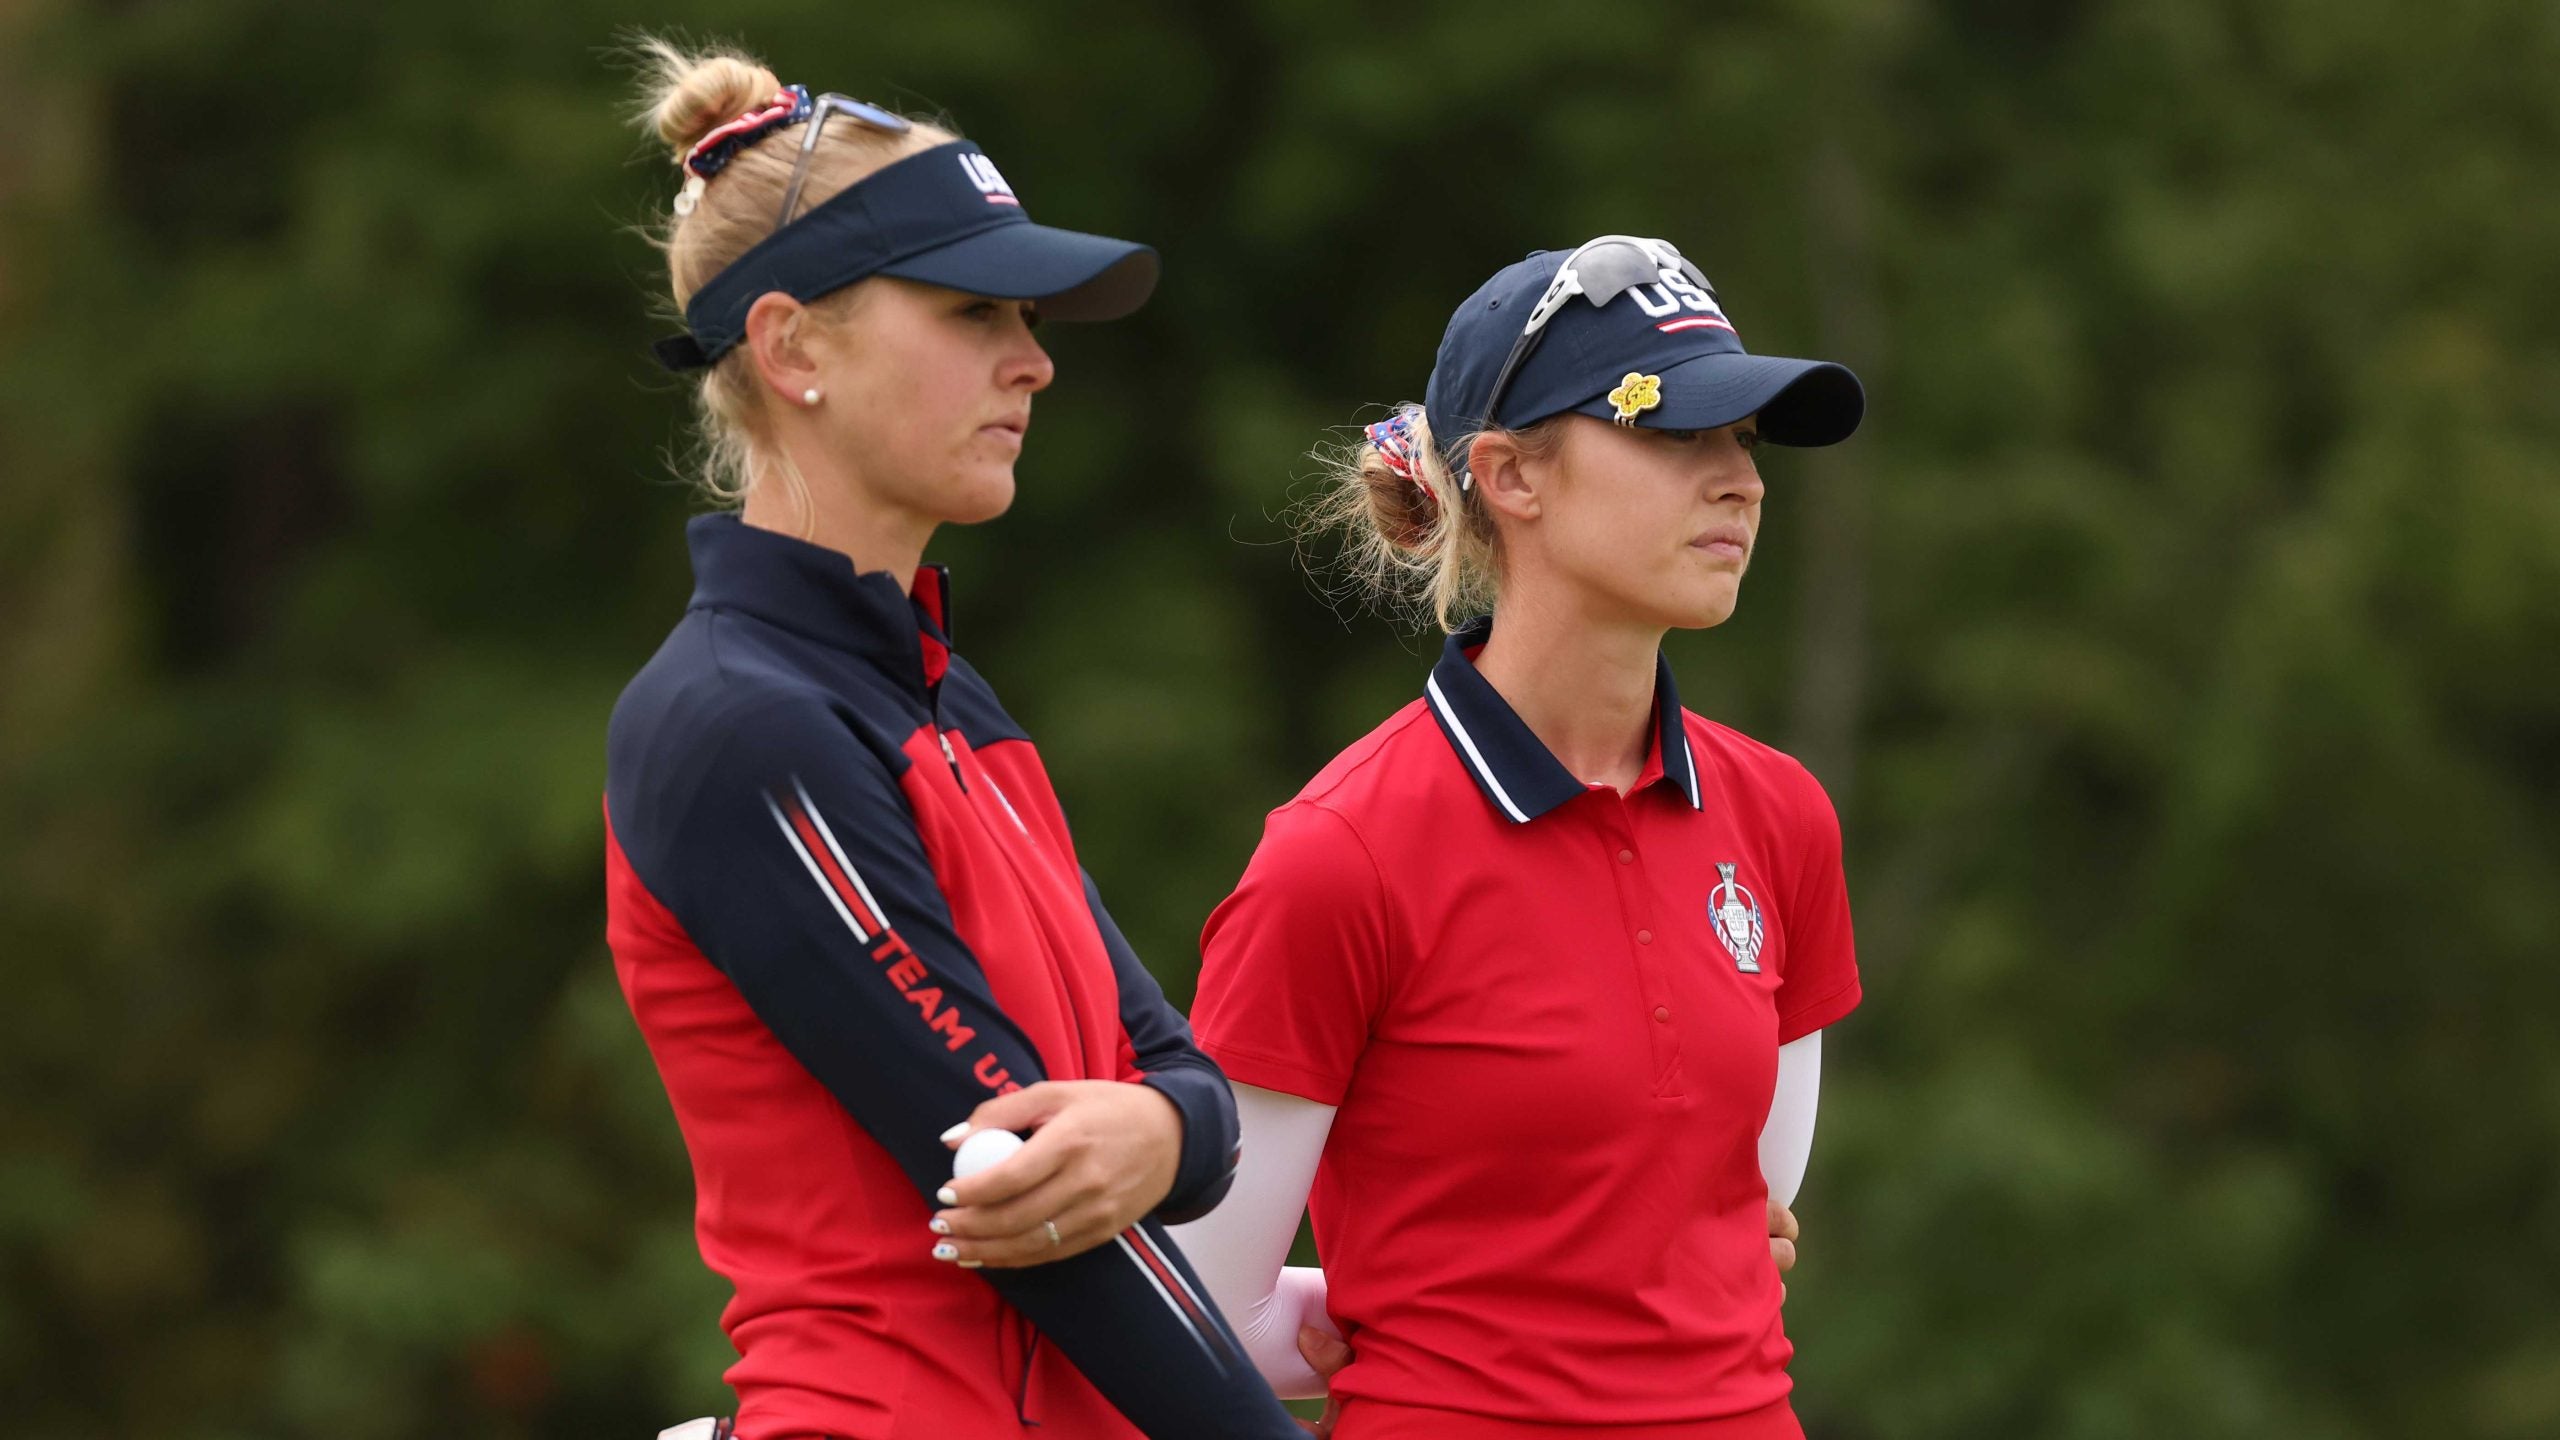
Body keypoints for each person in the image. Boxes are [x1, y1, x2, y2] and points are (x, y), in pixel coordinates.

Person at [602, 39, 1300, 1440]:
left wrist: (1168, 1133)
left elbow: (1175, 1079)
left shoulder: (945, 703)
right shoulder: (742, 726)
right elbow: (1035, 1210)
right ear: (793, 347)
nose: (1034, 362)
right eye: (975, 312)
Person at [1171, 236, 1868, 1439]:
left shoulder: (1782, 816)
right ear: (1509, 475)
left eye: (1742, 441)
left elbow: (1744, 1206)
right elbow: (1197, 1312)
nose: (1739, 481)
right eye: (1673, 433)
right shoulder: (1340, 856)